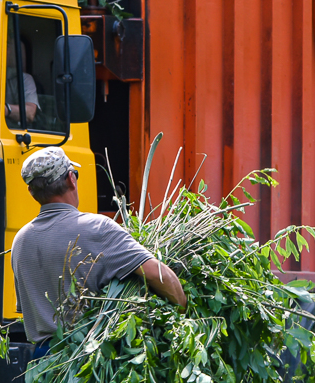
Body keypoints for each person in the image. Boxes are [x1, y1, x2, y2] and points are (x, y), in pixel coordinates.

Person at [11, 147, 187, 358]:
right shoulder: (96, 228)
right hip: (88, 358)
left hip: (42, 361)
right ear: (71, 179)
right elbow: (160, 274)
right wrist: (184, 312)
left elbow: (28, 310)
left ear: (31, 192)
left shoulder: (20, 240)